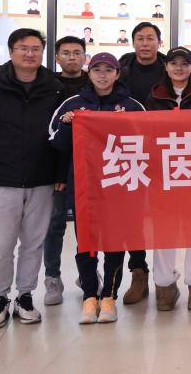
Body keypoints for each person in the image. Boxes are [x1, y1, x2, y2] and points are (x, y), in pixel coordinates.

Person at [0, 28, 65, 329]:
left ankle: (26, 296)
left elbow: (62, 135)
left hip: (42, 179)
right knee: (0, 244)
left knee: (34, 243)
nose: (30, 54)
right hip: (0, 179)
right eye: (23, 48)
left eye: (35, 49)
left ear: (42, 53)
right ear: (11, 52)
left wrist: (60, 174)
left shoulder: (54, 88)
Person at [48, 52, 145, 324]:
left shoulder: (132, 105)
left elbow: (147, 142)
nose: (102, 75)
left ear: (117, 74)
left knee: (114, 242)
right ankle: (90, 296)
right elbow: (56, 143)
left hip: (119, 187)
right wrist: (68, 124)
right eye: (97, 70)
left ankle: (109, 297)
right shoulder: (73, 104)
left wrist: (127, 125)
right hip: (85, 188)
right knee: (86, 243)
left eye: (108, 70)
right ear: (89, 74)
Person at [146, 47, 191, 311]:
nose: (178, 68)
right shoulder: (154, 95)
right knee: (164, 230)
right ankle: (164, 288)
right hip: (162, 172)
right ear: (166, 67)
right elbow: (145, 132)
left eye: (184, 63)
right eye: (173, 63)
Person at [117, 21, 167, 304]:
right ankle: (138, 271)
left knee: (163, 213)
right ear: (133, 42)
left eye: (150, 38)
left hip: (164, 151)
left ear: (159, 42)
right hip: (130, 150)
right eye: (140, 38)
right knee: (131, 215)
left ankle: (165, 276)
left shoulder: (170, 68)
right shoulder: (120, 70)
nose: (145, 43)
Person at [41, 36, 91, 306]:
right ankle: (52, 277)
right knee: (55, 224)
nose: (72, 57)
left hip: (90, 170)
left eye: (77, 53)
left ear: (85, 57)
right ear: (56, 57)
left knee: (88, 225)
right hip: (54, 168)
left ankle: (88, 274)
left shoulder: (96, 85)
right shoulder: (47, 85)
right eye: (66, 53)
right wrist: (58, 173)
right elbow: (51, 134)